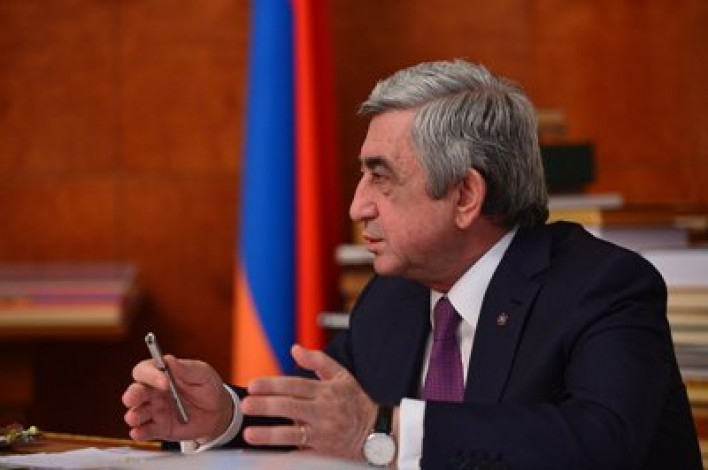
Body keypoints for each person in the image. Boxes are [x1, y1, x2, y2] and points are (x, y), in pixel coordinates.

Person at [122, 59, 702, 469]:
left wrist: (385, 432)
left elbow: (603, 444)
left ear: (466, 196)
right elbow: (326, 417)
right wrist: (222, 415)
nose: (357, 206)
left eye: (382, 177)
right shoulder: (392, 299)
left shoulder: (604, 286)